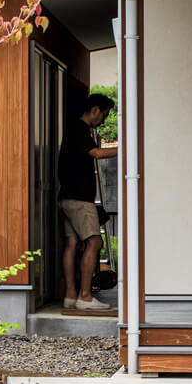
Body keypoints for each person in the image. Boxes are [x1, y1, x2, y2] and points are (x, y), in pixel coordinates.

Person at [58, 91, 117, 311]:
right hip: (80, 199)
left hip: (66, 196)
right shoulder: (81, 130)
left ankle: (70, 296)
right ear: (94, 110)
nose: (102, 120)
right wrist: (125, 149)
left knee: (72, 243)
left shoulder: (72, 129)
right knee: (95, 242)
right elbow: (97, 154)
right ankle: (85, 297)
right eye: (103, 115)